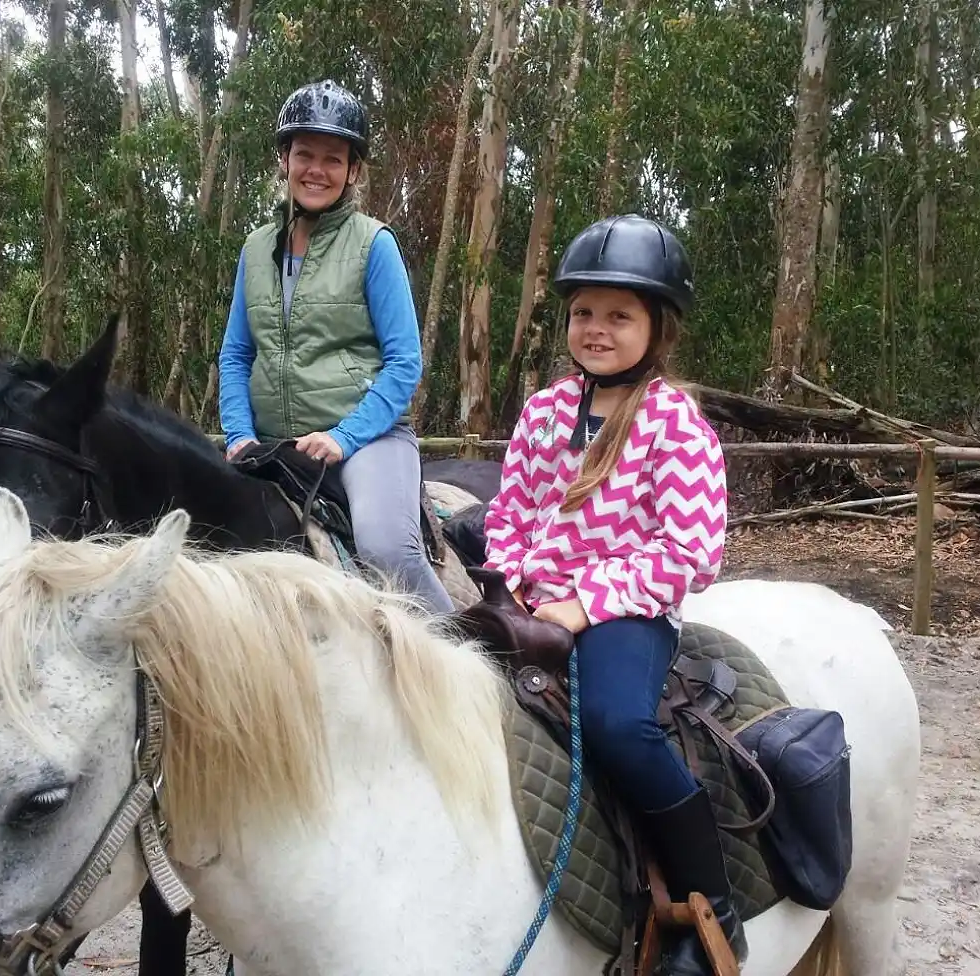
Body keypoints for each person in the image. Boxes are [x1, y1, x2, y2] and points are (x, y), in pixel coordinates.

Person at [482, 214, 738, 974]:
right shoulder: (543, 412)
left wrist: (585, 603)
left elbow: (691, 551)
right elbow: (510, 513)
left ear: (657, 328)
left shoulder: (673, 423)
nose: (596, 329)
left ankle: (710, 903)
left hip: (625, 612)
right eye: (583, 312)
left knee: (618, 724)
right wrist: (511, 584)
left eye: (618, 314)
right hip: (531, 602)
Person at [218, 78, 455, 614]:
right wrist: (237, 434)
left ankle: (467, 667)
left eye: (333, 158)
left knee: (385, 547)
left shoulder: (375, 244)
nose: (316, 170)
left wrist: (344, 436)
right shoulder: (256, 250)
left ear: (353, 171)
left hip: (366, 440)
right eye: (305, 154)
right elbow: (236, 353)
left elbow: (404, 362)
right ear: (285, 159)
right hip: (272, 440)